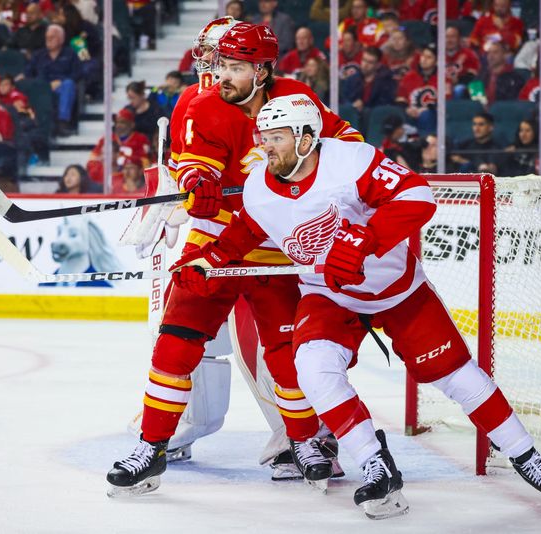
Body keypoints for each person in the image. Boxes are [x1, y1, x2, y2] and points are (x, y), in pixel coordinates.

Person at [169, 95, 541, 518]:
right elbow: (245, 233)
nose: (266, 147)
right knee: (311, 368)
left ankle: (526, 455)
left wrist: (364, 240)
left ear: (307, 138)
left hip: (397, 290)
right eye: (263, 137)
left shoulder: (351, 161)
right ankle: (374, 463)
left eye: (276, 138)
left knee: (457, 376)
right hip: (327, 295)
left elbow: (417, 195)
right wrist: (207, 261)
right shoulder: (258, 186)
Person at [106, 22, 364, 498]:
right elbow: (195, 163)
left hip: (277, 241)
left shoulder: (298, 98)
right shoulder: (204, 105)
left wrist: (329, 169)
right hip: (215, 238)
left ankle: (304, 441)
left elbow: (348, 145)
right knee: (177, 339)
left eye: (235, 66)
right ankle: (152, 445)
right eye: (220, 64)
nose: (221, 74)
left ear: (262, 70)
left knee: (287, 352)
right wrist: (200, 184)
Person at [22, 24, 83, 137]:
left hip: (62, 86)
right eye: (47, 37)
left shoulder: (70, 54)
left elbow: (78, 73)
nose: (48, 39)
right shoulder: (38, 55)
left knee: (69, 84)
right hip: (41, 87)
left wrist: (60, 81)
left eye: (52, 37)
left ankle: (62, 123)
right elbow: (28, 73)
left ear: (61, 39)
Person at [397, 43, 451, 136]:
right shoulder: (409, 77)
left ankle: (425, 141)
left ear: (436, 61)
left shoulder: (443, 79)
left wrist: (425, 109)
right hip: (410, 114)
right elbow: (400, 98)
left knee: (426, 115)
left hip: (433, 114)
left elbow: (447, 100)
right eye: (423, 56)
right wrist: (407, 109)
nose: (424, 60)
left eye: (429, 57)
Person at [86, 108, 151, 184]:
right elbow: (92, 159)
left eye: (123, 122)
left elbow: (146, 163)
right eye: (117, 122)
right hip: (109, 177)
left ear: (132, 124)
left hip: (132, 180)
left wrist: (127, 160)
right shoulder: (106, 138)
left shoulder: (141, 139)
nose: (118, 125)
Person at [341, 47, 396, 111]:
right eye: (364, 60)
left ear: (377, 65)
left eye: (370, 62)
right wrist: (352, 105)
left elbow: (384, 105)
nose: (365, 65)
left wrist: (365, 108)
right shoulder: (352, 79)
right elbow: (344, 100)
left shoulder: (386, 82)